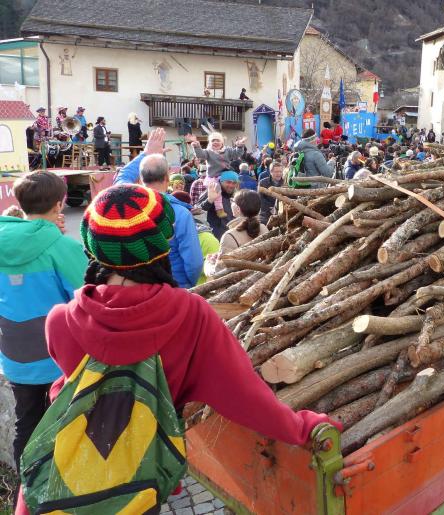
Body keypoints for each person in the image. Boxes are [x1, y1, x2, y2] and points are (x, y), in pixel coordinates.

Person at [13, 183, 338, 513]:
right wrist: (303, 427)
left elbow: (78, 387)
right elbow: (246, 396)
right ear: (161, 242)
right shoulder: (190, 316)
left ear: (92, 245)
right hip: (137, 485)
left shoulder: (61, 321)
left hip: (66, 488)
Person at [0, 172, 88, 474]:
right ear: (59, 203)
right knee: (65, 426)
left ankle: (26, 491)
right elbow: (84, 300)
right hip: (59, 361)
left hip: (15, 356)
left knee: (27, 424)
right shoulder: (63, 248)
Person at [115, 128, 204, 288]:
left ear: (141, 179)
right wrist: (186, 286)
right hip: (173, 287)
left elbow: (121, 179)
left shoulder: (126, 205)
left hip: (135, 286)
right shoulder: (180, 213)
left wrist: (146, 153)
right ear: (168, 177)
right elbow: (194, 262)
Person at [186, 132, 247, 218]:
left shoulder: (228, 150)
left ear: (222, 142)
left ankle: (236, 203)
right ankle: (219, 209)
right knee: (217, 190)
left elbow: (237, 154)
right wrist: (196, 145)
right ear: (210, 143)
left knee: (235, 181)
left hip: (225, 174)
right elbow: (200, 154)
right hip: (213, 176)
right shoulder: (208, 152)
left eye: (217, 140)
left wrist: (240, 146)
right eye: (213, 141)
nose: (215, 142)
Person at [171, 191, 219, 285]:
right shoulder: (208, 238)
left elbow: (197, 266)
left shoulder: (205, 237)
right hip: (196, 289)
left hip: (196, 288)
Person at [219, 189, 268, 255]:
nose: (231, 203)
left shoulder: (229, 236)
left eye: (232, 201)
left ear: (238, 209)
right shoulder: (264, 228)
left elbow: (223, 264)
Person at [197, 170, 240, 239]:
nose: (231, 185)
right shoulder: (212, 191)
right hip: (213, 237)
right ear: (221, 181)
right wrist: (209, 200)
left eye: (234, 183)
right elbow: (197, 211)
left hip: (227, 235)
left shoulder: (230, 195)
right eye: (228, 182)